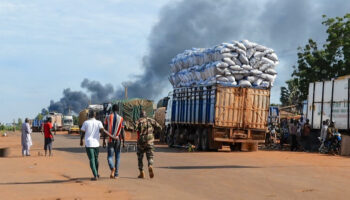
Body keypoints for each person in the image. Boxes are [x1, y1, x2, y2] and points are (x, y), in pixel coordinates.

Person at [80, 110, 117, 181]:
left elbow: (82, 133)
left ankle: (95, 175)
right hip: (96, 144)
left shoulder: (86, 122)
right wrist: (112, 137)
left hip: (89, 144)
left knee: (92, 159)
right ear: (95, 115)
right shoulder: (99, 122)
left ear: (89, 115)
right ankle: (96, 173)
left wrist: (81, 140)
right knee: (96, 159)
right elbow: (104, 131)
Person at [136, 110, 162, 179]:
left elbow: (134, 129)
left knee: (140, 157)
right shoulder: (151, 120)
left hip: (141, 141)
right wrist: (154, 131)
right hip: (150, 140)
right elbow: (160, 127)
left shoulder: (138, 121)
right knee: (150, 156)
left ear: (140, 115)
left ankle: (141, 172)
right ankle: (150, 165)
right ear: (146, 115)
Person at [103, 104, 125, 179]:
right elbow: (122, 131)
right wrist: (124, 142)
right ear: (118, 110)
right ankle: (116, 174)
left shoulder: (107, 117)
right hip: (118, 140)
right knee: (118, 157)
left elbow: (104, 129)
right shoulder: (121, 118)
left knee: (109, 157)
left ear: (112, 109)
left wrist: (103, 141)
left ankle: (112, 168)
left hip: (110, 140)